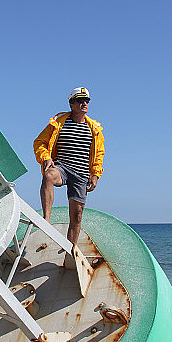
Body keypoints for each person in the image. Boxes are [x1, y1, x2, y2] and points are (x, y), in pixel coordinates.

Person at [33, 87, 105, 247]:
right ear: (71, 104)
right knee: (49, 175)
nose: (84, 103)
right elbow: (39, 142)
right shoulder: (58, 123)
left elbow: (99, 154)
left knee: (77, 216)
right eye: (80, 100)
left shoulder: (95, 129)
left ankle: (69, 250)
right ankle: (46, 220)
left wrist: (95, 174)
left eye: (87, 100)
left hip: (81, 174)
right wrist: (46, 158)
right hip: (62, 167)